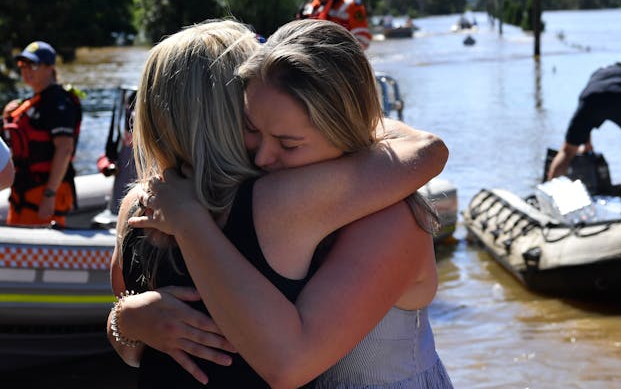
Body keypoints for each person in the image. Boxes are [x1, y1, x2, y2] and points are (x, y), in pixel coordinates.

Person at [109, 19, 450, 387]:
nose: (263, 157)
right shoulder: (272, 198)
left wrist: (125, 320)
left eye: (288, 142)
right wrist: (125, 322)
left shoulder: (383, 216)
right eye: (254, 127)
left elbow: (289, 361)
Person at [1, 41, 82, 226]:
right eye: (23, 65)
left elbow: (65, 149)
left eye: (34, 65)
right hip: (22, 192)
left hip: (43, 192)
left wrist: (49, 194)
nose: (26, 70)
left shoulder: (59, 103)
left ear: (50, 68)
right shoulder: (28, 103)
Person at [547, 62, 621, 180]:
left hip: (591, 99)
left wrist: (586, 143)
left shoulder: (597, 75)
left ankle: (550, 189)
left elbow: (585, 111)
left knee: (567, 151)